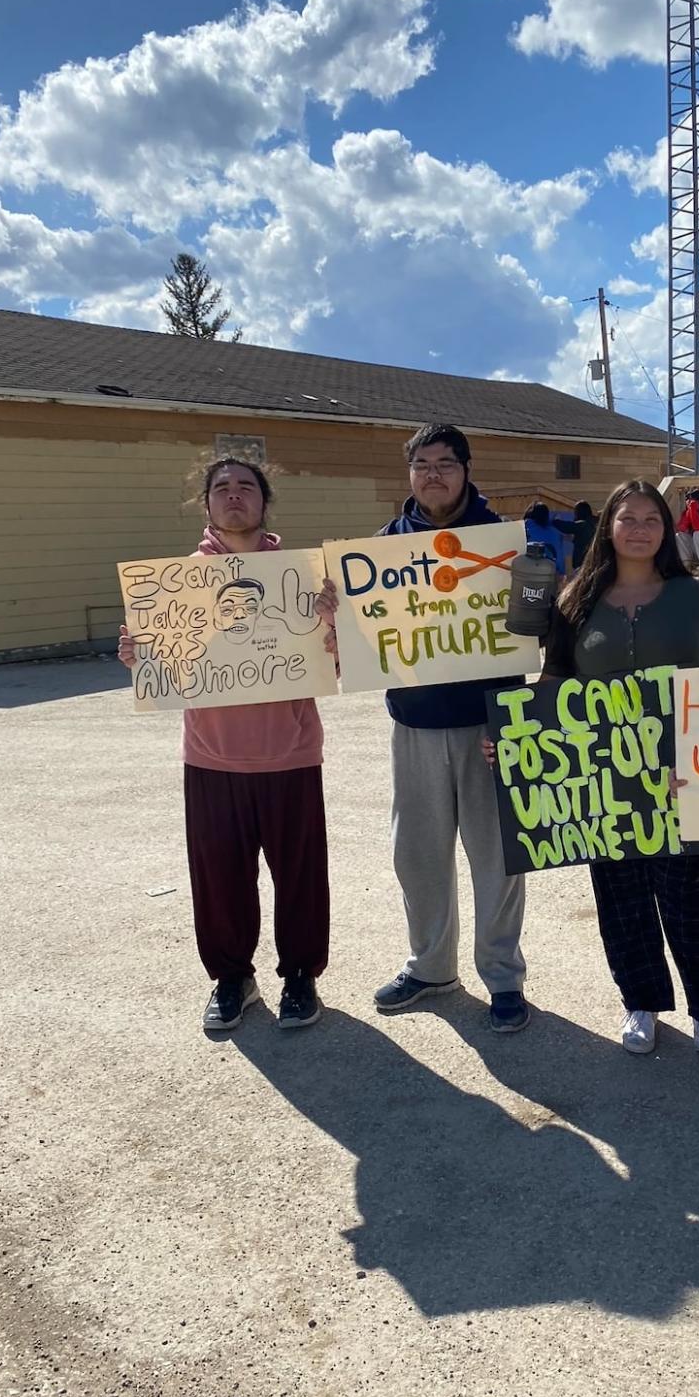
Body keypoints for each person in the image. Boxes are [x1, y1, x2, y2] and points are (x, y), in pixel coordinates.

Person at [117, 457, 331, 1034]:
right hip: (211, 754)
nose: (234, 496)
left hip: (290, 751)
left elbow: (332, 657)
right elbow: (163, 666)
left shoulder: (301, 578)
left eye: (246, 487)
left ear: (265, 501)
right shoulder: (175, 581)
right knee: (218, 878)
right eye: (221, 488)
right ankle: (233, 978)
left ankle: (300, 978)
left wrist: (332, 628)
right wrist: (141, 655)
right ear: (206, 504)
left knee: (301, 876)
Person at [540, 480, 699, 1058]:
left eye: (653, 518)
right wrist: (521, 734)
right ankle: (641, 1003)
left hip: (684, 772)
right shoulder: (575, 600)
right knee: (620, 897)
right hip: (605, 778)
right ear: (609, 527)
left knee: (688, 897)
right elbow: (555, 679)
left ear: (666, 530)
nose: (641, 528)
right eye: (628, 518)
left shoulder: (695, 598)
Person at [367, 423, 530, 1034]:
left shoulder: (504, 541)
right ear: (410, 473)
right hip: (413, 723)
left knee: (498, 860)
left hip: (492, 726)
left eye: (445, 463)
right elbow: (365, 637)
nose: (433, 473)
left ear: (465, 469)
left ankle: (504, 978)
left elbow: (538, 625)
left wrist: (541, 589)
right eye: (422, 464)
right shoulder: (383, 549)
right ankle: (432, 967)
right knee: (418, 856)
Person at [525, 501, 567, 574]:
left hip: (527, 573)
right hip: (549, 574)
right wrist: (561, 572)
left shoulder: (524, 529)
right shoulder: (555, 533)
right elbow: (559, 555)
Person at [567, 499, 597, 571]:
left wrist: (555, 520)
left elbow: (567, 527)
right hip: (594, 560)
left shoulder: (582, 524)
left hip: (582, 561)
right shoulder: (595, 522)